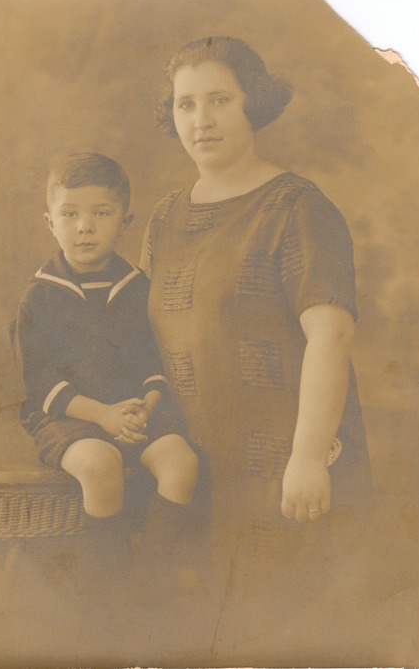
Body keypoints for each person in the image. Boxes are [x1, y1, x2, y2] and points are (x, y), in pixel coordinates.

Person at [141, 36, 374, 643]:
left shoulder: (298, 206)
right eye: (185, 104)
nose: (201, 119)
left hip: (284, 474)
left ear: (255, 104)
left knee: (275, 635)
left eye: (220, 99)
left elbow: (332, 337)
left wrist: (306, 458)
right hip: (194, 472)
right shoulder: (165, 217)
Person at [12, 151, 199, 593]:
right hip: (70, 418)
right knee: (100, 464)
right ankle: (108, 587)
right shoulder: (40, 297)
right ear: (50, 222)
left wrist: (146, 406)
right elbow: (40, 382)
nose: (85, 226)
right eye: (70, 214)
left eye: (101, 213)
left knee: (182, 461)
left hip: (136, 413)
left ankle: (148, 579)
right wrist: (102, 415)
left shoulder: (138, 289)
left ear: (125, 222)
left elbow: (155, 362)